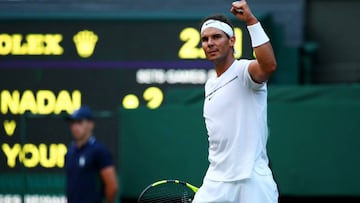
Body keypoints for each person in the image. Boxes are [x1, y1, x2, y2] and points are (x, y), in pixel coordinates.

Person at [192, 1, 278, 203]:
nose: (210, 43)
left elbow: (269, 66)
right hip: (216, 181)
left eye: (216, 37)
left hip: (252, 181)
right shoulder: (210, 85)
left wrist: (251, 20)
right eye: (205, 39)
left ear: (232, 41)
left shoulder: (243, 72)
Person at [65, 106, 118, 203]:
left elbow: (112, 185)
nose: (75, 127)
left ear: (91, 124)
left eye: (80, 122)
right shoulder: (70, 151)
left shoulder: (99, 150)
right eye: (73, 123)